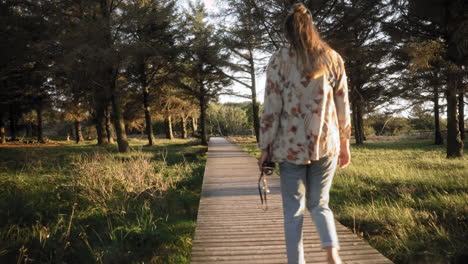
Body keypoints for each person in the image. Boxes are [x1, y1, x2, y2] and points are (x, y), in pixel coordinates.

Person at [257, 3, 352, 264]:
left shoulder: (279, 60)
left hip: (291, 146)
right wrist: (345, 143)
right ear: (312, 29)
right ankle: (333, 254)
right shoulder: (332, 58)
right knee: (320, 204)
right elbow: (343, 103)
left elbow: (272, 107)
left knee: (293, 211)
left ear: (288, 32)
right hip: (327, 143)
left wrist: (265, 147)